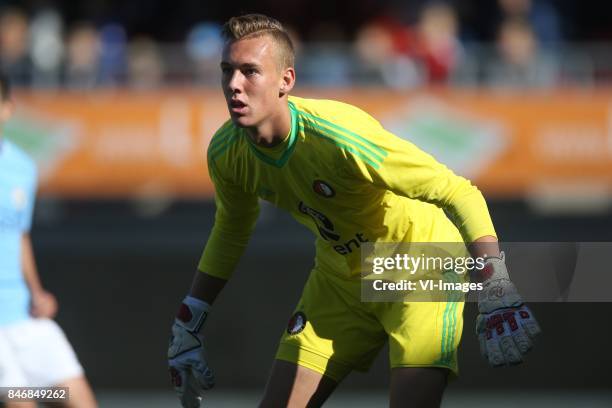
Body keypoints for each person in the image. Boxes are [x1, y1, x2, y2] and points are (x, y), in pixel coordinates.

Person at [167, 14, 541, 408]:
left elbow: (458, 191)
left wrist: (495, 284)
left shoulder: (339, 138)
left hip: (420, 264)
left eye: (250, 72)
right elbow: (231, 230)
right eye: (227, 70)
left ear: (286, 81)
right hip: (340, 277)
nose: (234, 85)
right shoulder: (227, 153)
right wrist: (189, 318)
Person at [0, 74, 97, 408]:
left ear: (7, 109)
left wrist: (37, 291)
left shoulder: (22, 167)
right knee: (20, 400)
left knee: (75, 397)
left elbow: (19, 234)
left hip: (24, 316)